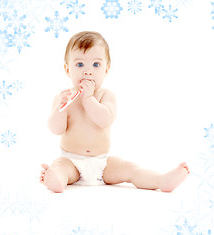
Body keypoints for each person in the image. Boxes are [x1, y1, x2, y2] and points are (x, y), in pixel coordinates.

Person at [40, 31, 189, 193]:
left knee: (128, 168)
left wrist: (88, 98)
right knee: (59, 166)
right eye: (80, 64)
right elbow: (56, 129)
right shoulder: (64, 98)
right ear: (67, 69)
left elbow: (105, 120)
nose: (88, 71)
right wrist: (59, 110)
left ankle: (161, 180)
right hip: (71, 161)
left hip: (102, 163)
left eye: (96, 65)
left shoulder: (106, 95)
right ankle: (56, 180)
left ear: (106, 69)